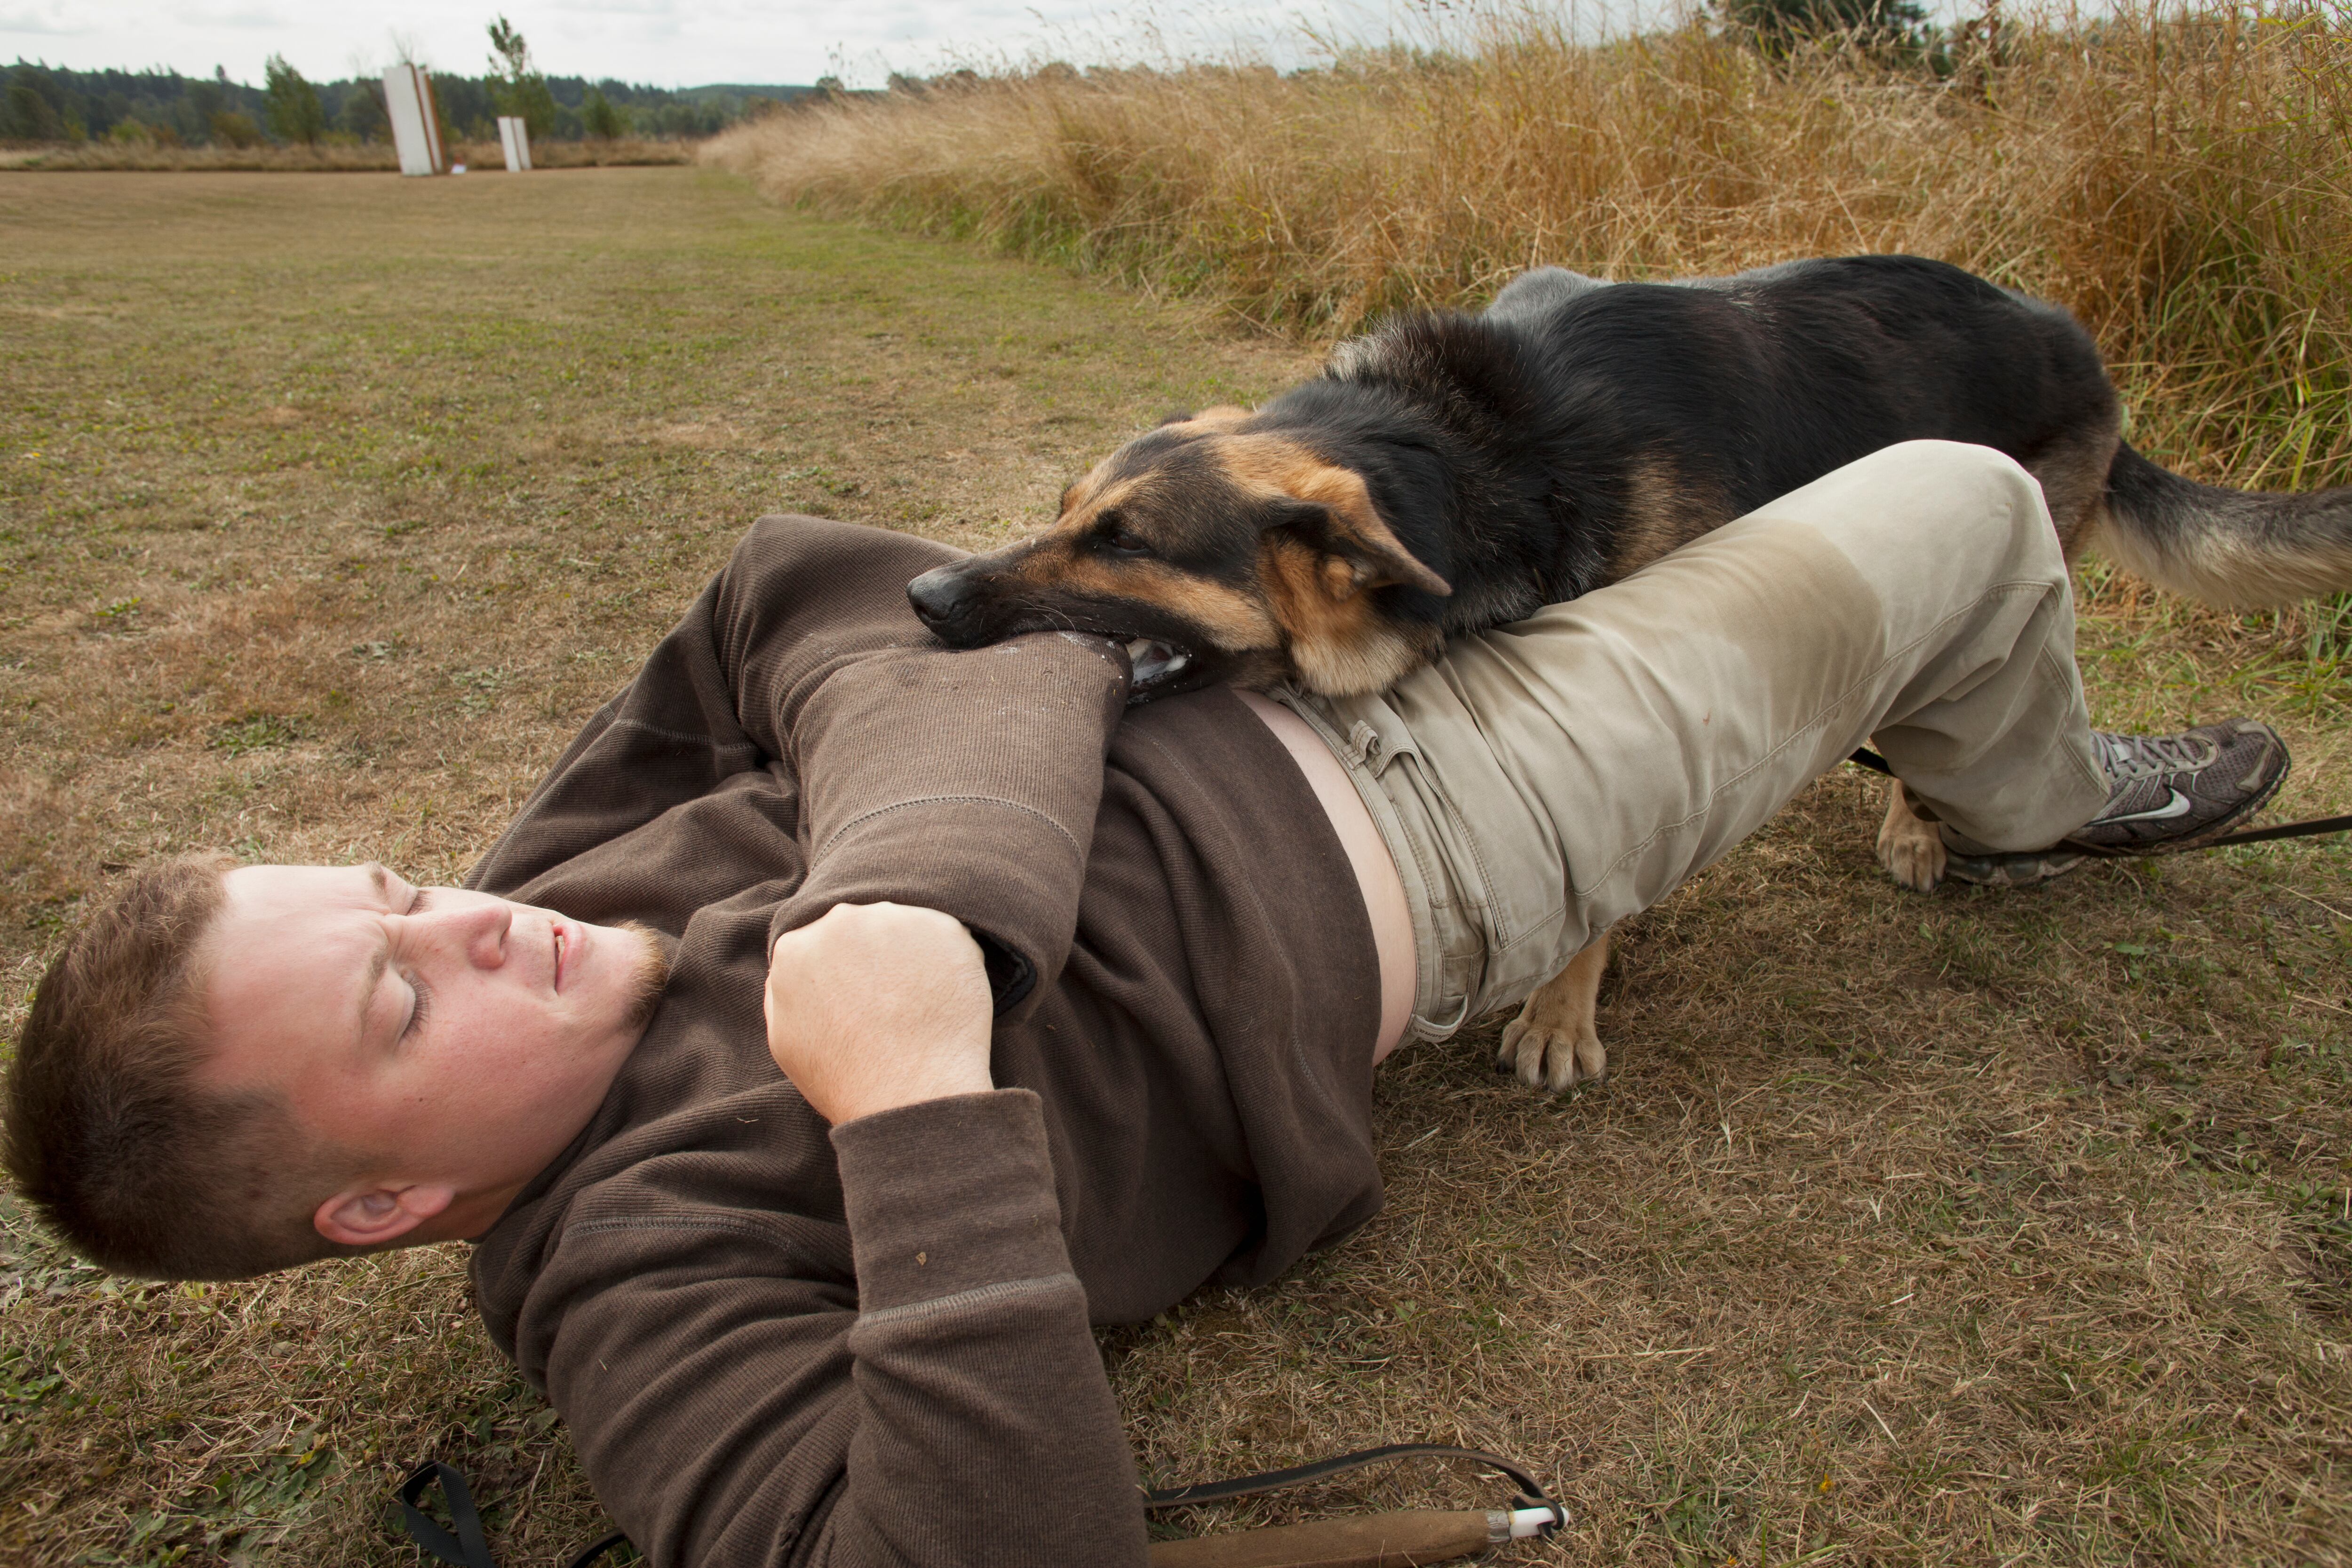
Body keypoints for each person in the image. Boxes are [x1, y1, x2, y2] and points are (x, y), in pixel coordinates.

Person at [4, 442, 2288, 1567]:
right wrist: (909, 1099)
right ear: (383, 1200)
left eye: (395, 888)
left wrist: (915, 897)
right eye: (400, 997)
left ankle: (1980, 767)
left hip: (1276, 638)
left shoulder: (551, 892)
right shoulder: (636, 1279)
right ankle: (2019, 809)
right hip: (1451, 825)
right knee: (1971, 495)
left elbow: (807, 603)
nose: (472, 916)